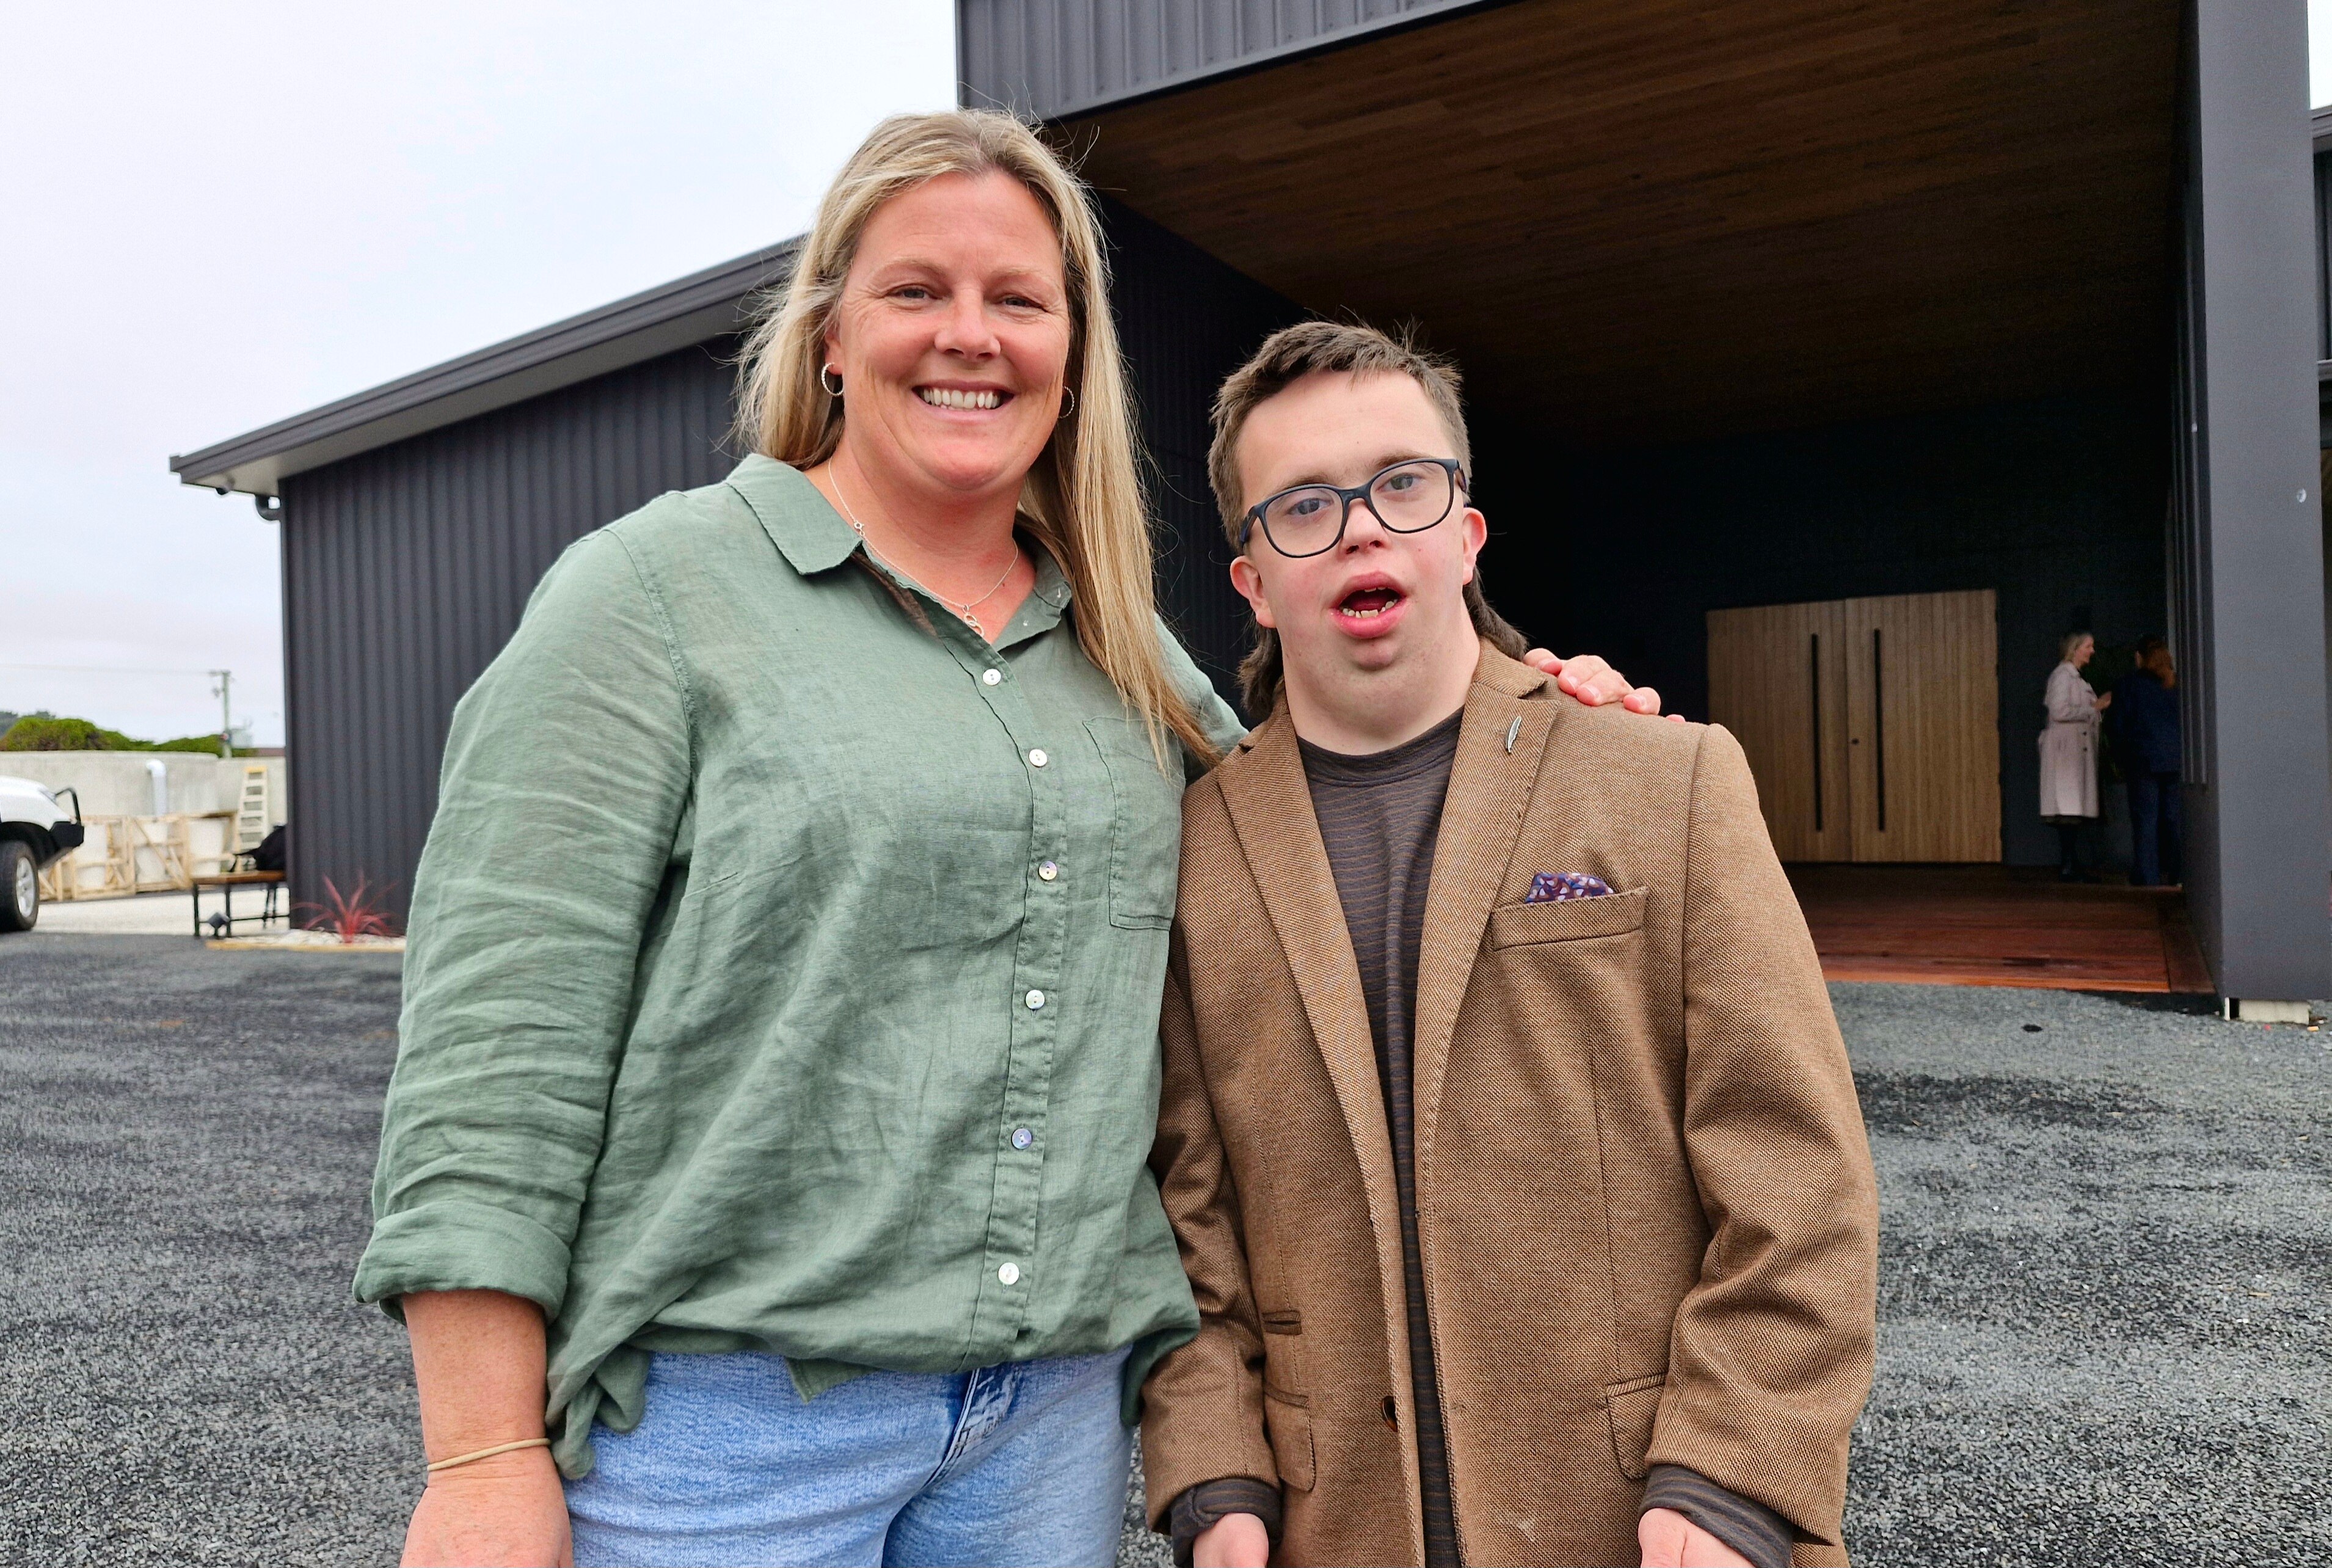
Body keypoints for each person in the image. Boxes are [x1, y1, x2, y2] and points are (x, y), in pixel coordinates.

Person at [356, 111, 1658, 1568]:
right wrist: (481, 1455)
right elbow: (498, 1051)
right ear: (832, 334)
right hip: (730, 1438)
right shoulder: (649, 599)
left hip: (1045, 1431)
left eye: (1018, 300)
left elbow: (1326, 790)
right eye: (916, 289)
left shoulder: (1119, 647)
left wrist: (1536, 712)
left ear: (1072, 352)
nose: (968, 335)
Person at [1139, 321, 1880, 1568]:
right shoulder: (1193, 852)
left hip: (1644, 1525)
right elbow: (1186, 1220)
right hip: (1324, 1530)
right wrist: (1213, 1476)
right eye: (1304, 504)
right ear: (1251, 581)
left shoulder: (1664, 778)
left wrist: (1733, 1476)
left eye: (1401, 483)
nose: (1361, 527)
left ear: (1466, 532)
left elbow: (1796, 1173)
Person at [2108, 636, 2182, 887]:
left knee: (2146, 820)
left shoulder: (2129, 685)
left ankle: (2149, 877)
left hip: (2142, 761)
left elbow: (2117, 725)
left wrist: (2121, 756)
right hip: (2174, 759)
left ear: (2139, 657)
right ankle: (2178, 873)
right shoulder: (2174, 684)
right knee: (2173, 819)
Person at [2039, 631, 2110, 882]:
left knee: (2073, 811)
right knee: (2068, 810)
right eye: (2088, 646)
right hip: (2066, 754)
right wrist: (2093, 708)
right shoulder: (2063, 677)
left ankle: (2071, 864)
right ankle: (2068, 865)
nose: (2092, 651)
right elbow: (2059, 711)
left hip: (2074, 752)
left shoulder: (2076, 679)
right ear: (2075, 649)